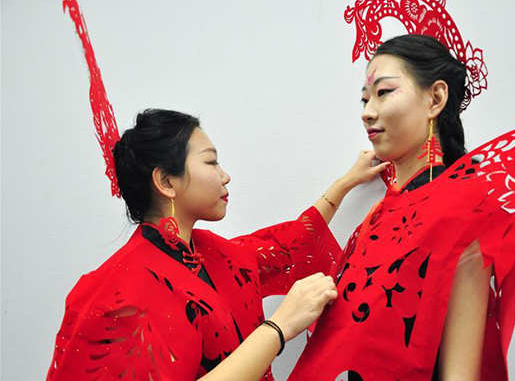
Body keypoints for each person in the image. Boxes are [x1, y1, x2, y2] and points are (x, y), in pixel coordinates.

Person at [45, 109, 389, 381]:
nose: (224, 175)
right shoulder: (121, 294)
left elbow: (288, 241)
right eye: (211, 161)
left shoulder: (212, 254)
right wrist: (279, 327)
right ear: (166, 181)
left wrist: (347, 182)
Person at [288, 34, 504, 381]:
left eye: (383, 92)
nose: (367, 112)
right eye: (364, 99)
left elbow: (460, 371)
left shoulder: (464, 210)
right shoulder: (379, 212)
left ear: (435, 98)